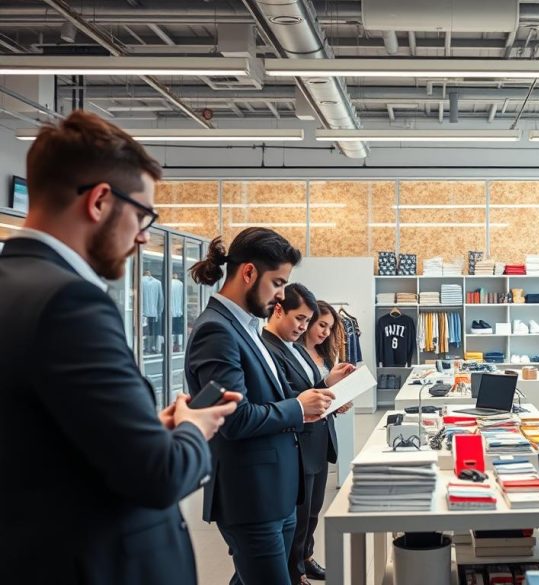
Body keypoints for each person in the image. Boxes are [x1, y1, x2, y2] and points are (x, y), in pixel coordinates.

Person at [0, 110, 240, 585]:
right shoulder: (72, 302)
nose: (145, 235)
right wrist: (193, 428)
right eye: (143, 215)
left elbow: (41, 440)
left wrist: (145, 427)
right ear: (100, 201)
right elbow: (160, 474)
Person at [186, 227, 336, 585]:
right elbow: (232, 418)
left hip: (277, 491)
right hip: (251, 495)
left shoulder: (246, 327)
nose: (281, 295)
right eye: (278, 283)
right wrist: (298, 408)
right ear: (249, 272)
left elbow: (272, 398)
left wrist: (314, 399)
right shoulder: (217, 331)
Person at [262, 287, 354, 584]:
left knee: (312, 512)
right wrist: (324, 391)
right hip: (299, 442)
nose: (306, 326)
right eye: (303, 319)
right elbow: (285, 396)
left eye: (309, 321)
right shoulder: (270, 347)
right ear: (278, 310)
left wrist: (332, 386)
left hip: (318, 439)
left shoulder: (298, 349)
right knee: (299, 516)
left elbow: (312, 387)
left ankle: (303, 560)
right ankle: (296, 571)